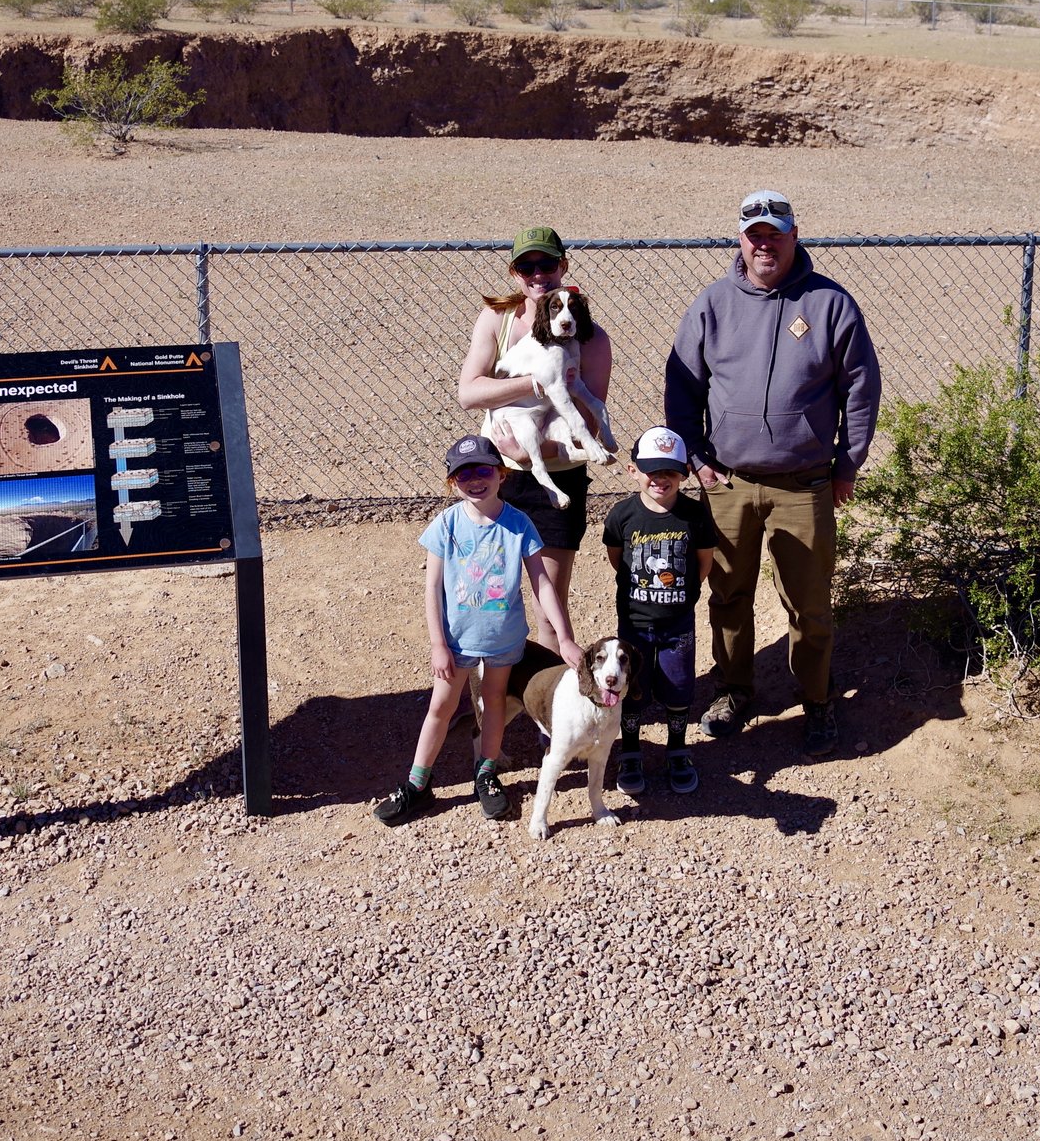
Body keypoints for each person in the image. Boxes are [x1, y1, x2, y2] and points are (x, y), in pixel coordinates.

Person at [663, 190, 881, 760]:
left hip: (804, 484)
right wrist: (695, 459)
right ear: (741, 239)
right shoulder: (712, 305)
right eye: (754, 234)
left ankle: (817, 699)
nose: (765, 244)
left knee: (809, 604)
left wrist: (847, 464)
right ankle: (734, 691)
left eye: (774, 234)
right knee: (727, 593)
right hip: (727, 483)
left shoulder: (830, 303)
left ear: (793, 236)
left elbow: (861, 389)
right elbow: (682, 387)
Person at [376, 435, 584, 827]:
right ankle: (418, 784)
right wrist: (438, 643)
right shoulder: (446, 524)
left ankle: (485, 775)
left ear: (501, 474)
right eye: (464, 474)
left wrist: (565, 638)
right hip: (457, 640)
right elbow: (432, 589)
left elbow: (541, 583)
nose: (475, 480)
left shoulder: (518, 524)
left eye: (483, 471)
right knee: (441, 706)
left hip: (503, 638)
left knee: (493, 703)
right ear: (452, 482)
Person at [457, 225, 615, 645]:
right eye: (526, 267)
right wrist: (535, 383)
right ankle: (492, 686)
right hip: (498, 478)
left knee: (550, 608)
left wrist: (531, 453)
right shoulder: (498, 319)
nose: (538, 274)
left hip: (557, 479)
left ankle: (550, 688)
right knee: (490, 599)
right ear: (514, 273)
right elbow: (468, 393)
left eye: (546, 263)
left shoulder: (592, 339)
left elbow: (588, 427)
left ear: (563, 265)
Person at [600, 426, 719, 796]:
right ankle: (631, 751)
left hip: (677, 623)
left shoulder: (695, 515)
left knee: (679, 686)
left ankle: (677, 750)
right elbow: (618, 560)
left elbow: (703, 563)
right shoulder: (622, 516)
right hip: (634, 623)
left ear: (684, 473)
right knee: (633, 687)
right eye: (651, 470)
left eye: (669, 471)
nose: (660, 479)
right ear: (633, 470)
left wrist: (679, 595)